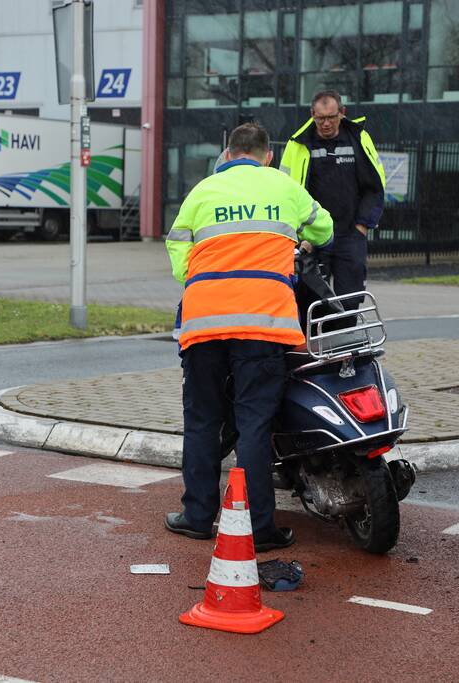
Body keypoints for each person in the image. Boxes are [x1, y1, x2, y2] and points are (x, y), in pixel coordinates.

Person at [164, 122, 333, 552]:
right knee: (254, 425)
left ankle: (198, 517)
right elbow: (325, 230)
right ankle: (260, 528)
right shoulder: (284, 186)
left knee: (203, 421)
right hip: (264, 322)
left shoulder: (202, 191)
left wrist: (203, 278)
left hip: (203, 321)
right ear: (268, 155)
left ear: (227, 154)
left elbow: (178, 250)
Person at [279, 90, 385, 309]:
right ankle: (318, 341)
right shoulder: (298, 144)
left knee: (351, 297)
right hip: (314, 235)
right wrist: (299, 235)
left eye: (331, 117)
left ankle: (347, 339)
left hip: (350, 233)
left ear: (342, 113)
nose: (326, 123)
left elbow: (374, 185)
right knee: (312, 297)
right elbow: (285, 191)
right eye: (320, 118)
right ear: (312, 115)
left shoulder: (358, 138)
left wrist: (362, 225)